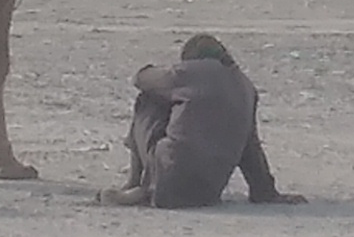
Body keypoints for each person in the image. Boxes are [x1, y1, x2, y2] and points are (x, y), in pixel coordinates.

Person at [100, 34, 300, 208]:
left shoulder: (192, 72)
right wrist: (266, 191)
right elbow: (251, 149)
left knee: (148, 99)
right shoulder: (246, 86)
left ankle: (137, 184)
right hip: (207, 193)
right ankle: (146, 185)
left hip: (169, 181)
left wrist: (166, 70)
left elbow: (142, 79)